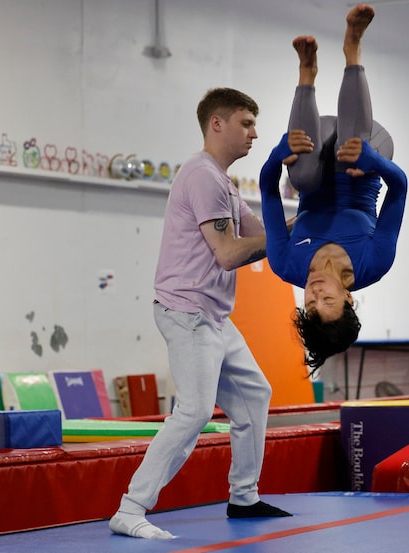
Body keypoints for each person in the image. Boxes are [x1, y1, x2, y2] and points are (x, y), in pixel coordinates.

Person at [109, 88, 291, 541]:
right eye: (246, 123)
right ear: (217, 123)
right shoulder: (202, 176)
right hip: (187, 310)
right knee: (192, 412)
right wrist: (289, 239)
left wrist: (317, 219)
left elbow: (266, 234)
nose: (254, 133)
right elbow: (230, 253)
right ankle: (130, 508)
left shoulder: (225, 183)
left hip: (212, 316)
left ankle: (243, 498)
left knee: (254, 394)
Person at [259, 4, 408, 371]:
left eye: (311, 305)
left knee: (302, 178)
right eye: (327, 302)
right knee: (351, 159)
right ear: (348, 299)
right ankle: (353, 49)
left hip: (315, 145)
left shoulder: (286, 264)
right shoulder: (374, 264)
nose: (315, 294)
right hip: (366, 148)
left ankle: (306, 74)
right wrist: (377, 163)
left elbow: (268, 192)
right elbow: (399, 189)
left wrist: (277, 156)